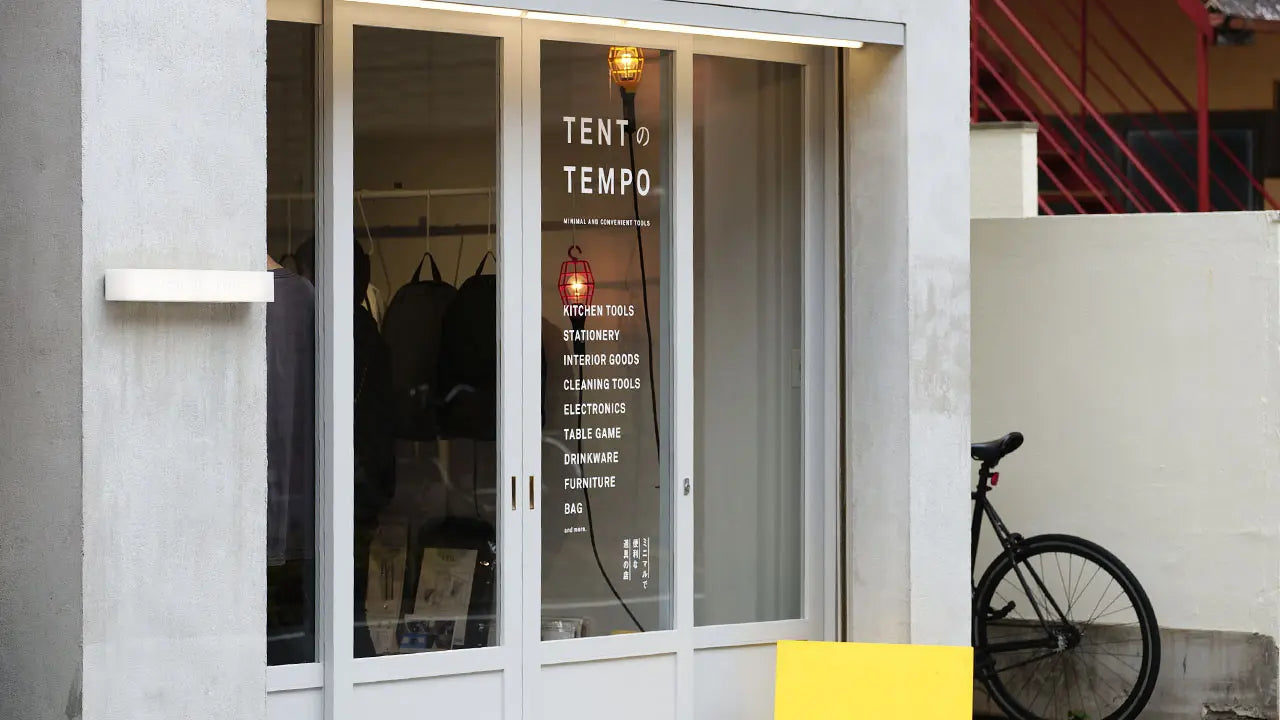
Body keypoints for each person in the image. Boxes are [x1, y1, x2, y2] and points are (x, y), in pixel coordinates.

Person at [353, 240, 396, 657]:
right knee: (351, 594)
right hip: (366, 480)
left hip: (350, 480)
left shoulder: (332, 330)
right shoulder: (373, 338)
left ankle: (358, 664)